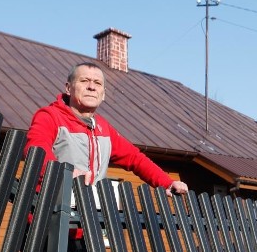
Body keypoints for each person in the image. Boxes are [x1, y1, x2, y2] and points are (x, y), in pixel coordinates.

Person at [25, 61, 188, 196]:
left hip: (88, 222)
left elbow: (134, 158)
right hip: (48, 220)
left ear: (103, 94)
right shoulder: (50, 116)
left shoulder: (103, 127)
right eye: (84, 81)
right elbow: (36, 151)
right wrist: (66, 175)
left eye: (97, 83)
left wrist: (167, 182)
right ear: (68, 88)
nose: (91, 87)